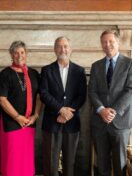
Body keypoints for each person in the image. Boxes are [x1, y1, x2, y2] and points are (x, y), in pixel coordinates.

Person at [88, 30, 132, 176]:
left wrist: (113, 111)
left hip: (121, 122)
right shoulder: (96, 66)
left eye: (111, 41)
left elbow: (131, 90)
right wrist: (101, 109)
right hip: (100, 121)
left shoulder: (130, 64)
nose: (107, 45)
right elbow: (92, 91)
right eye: (104, 42)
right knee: (102, 164)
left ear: (118, 43)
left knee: (120, 164)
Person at [40, 36, 87, 176]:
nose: (63, 49)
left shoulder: (79, 71)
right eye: (59, 46)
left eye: (65, 46)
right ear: (55, 50)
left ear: (70, 49)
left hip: (72, 123)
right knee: (50, 164)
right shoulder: (47, 70)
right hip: (51, 122)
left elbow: (81, 96)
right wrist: (60, 109)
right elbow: (44, 94)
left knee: (70, 163)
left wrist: (68, 113)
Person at [0, 41, 42, 176]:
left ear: (26, 54)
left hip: (29, 123)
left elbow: (39, 96)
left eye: (22, 52)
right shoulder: (5, 74)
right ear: (11, 54)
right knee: (12, 161)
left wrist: (36, 115)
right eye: (16, 53)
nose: (19, 55)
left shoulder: (34, 73)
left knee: (26, 161)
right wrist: (17, 117)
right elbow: (2, 99)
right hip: (11, 123)